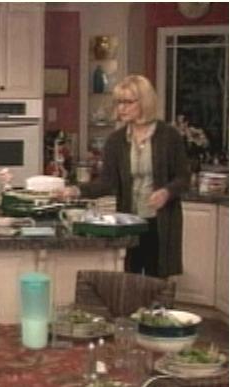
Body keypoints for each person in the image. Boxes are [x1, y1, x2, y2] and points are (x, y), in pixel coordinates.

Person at [63, 75, 189, 278]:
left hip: (161, 222)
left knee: (157, 282)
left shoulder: (169, 136)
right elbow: (107, 183)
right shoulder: (116, 140)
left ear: (144, 102)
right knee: (129, 280)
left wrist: (166, 192)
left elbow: (183, 178)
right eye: (119, 102)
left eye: (128, 102)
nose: (121, 108)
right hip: (129, 223)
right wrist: (76, 190)